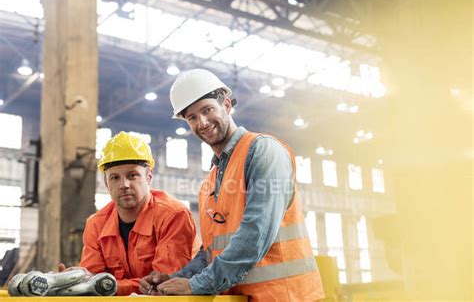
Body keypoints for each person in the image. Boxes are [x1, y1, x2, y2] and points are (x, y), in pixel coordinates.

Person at [139, 69, 324, 301]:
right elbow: (211, 251)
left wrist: (197, 285)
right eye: (192, 117)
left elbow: (255, 234)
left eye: (207, 110)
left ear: (226, 105)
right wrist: (175, 280)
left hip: (285, 296)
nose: (202, 123)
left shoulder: (264, 151)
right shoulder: (210, 183)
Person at [77, 131, 200, 295]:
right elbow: (91, 284)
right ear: (106, 183)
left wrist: (105, 286)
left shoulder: (173, 215)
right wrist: (75, 280)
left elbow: (164, 284)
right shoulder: (96, 225)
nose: (124, 185)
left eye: (132, 175)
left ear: (149, 177)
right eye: (115, 178)